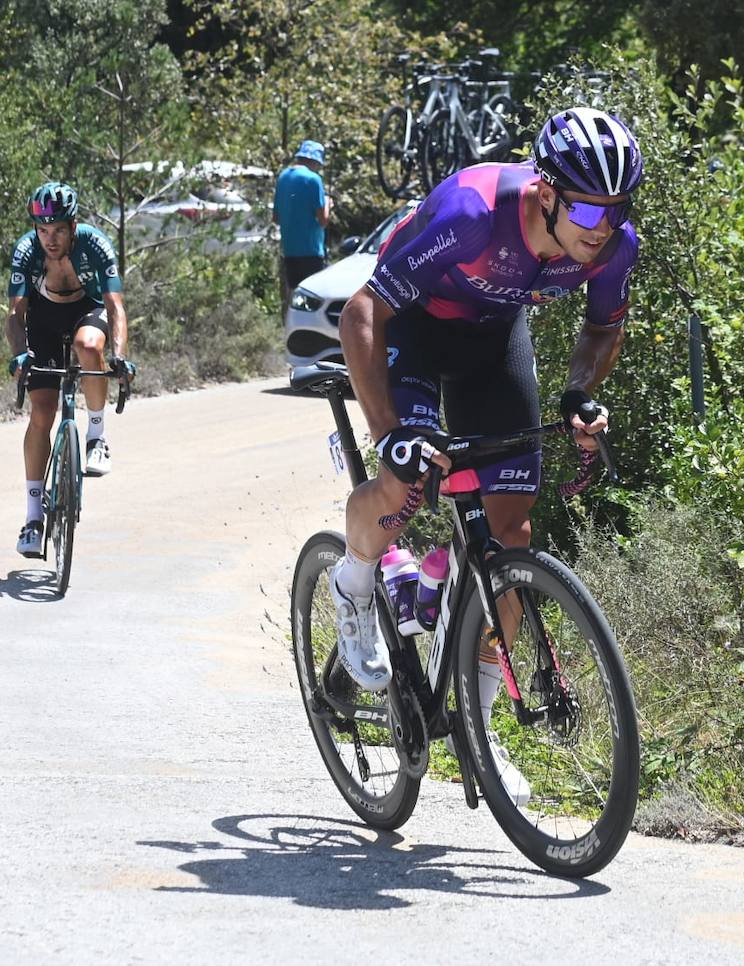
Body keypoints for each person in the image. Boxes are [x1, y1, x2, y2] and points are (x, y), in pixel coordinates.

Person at [329, 106, 642, 795]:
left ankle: (476, 722)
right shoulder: (473, 214)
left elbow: (601, 328)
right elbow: (363, 311)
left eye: (616, 214)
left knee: (509, 536)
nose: (603, 234)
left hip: (494, 340)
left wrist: (578, 394)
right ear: (546, 193)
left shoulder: (613, 244)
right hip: (411, 328)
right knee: (403, 486)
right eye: (590, 215)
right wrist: (391, 434)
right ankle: (354, 586)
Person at [5, 182, 133, 557]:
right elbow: (16, 315)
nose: (50, 239)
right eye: (43, 230)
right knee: (42, 413)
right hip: (43, 321)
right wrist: (19, 354)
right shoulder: (27, 250)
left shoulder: (94, 244)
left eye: (58, 229)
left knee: (89, 346)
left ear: (73, 225)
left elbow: (115, 307)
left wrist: (120, 356)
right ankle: (32, 518)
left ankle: (96, 437)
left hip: (85, 311)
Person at [273, 140, 332, 313]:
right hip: (311, 250)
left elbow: (276, 217)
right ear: (315, 161)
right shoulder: (314, 180)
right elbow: (323, 220)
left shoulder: (283, 177)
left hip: (290, 249)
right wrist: (328, 203)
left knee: (293, 296)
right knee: (313, 299)